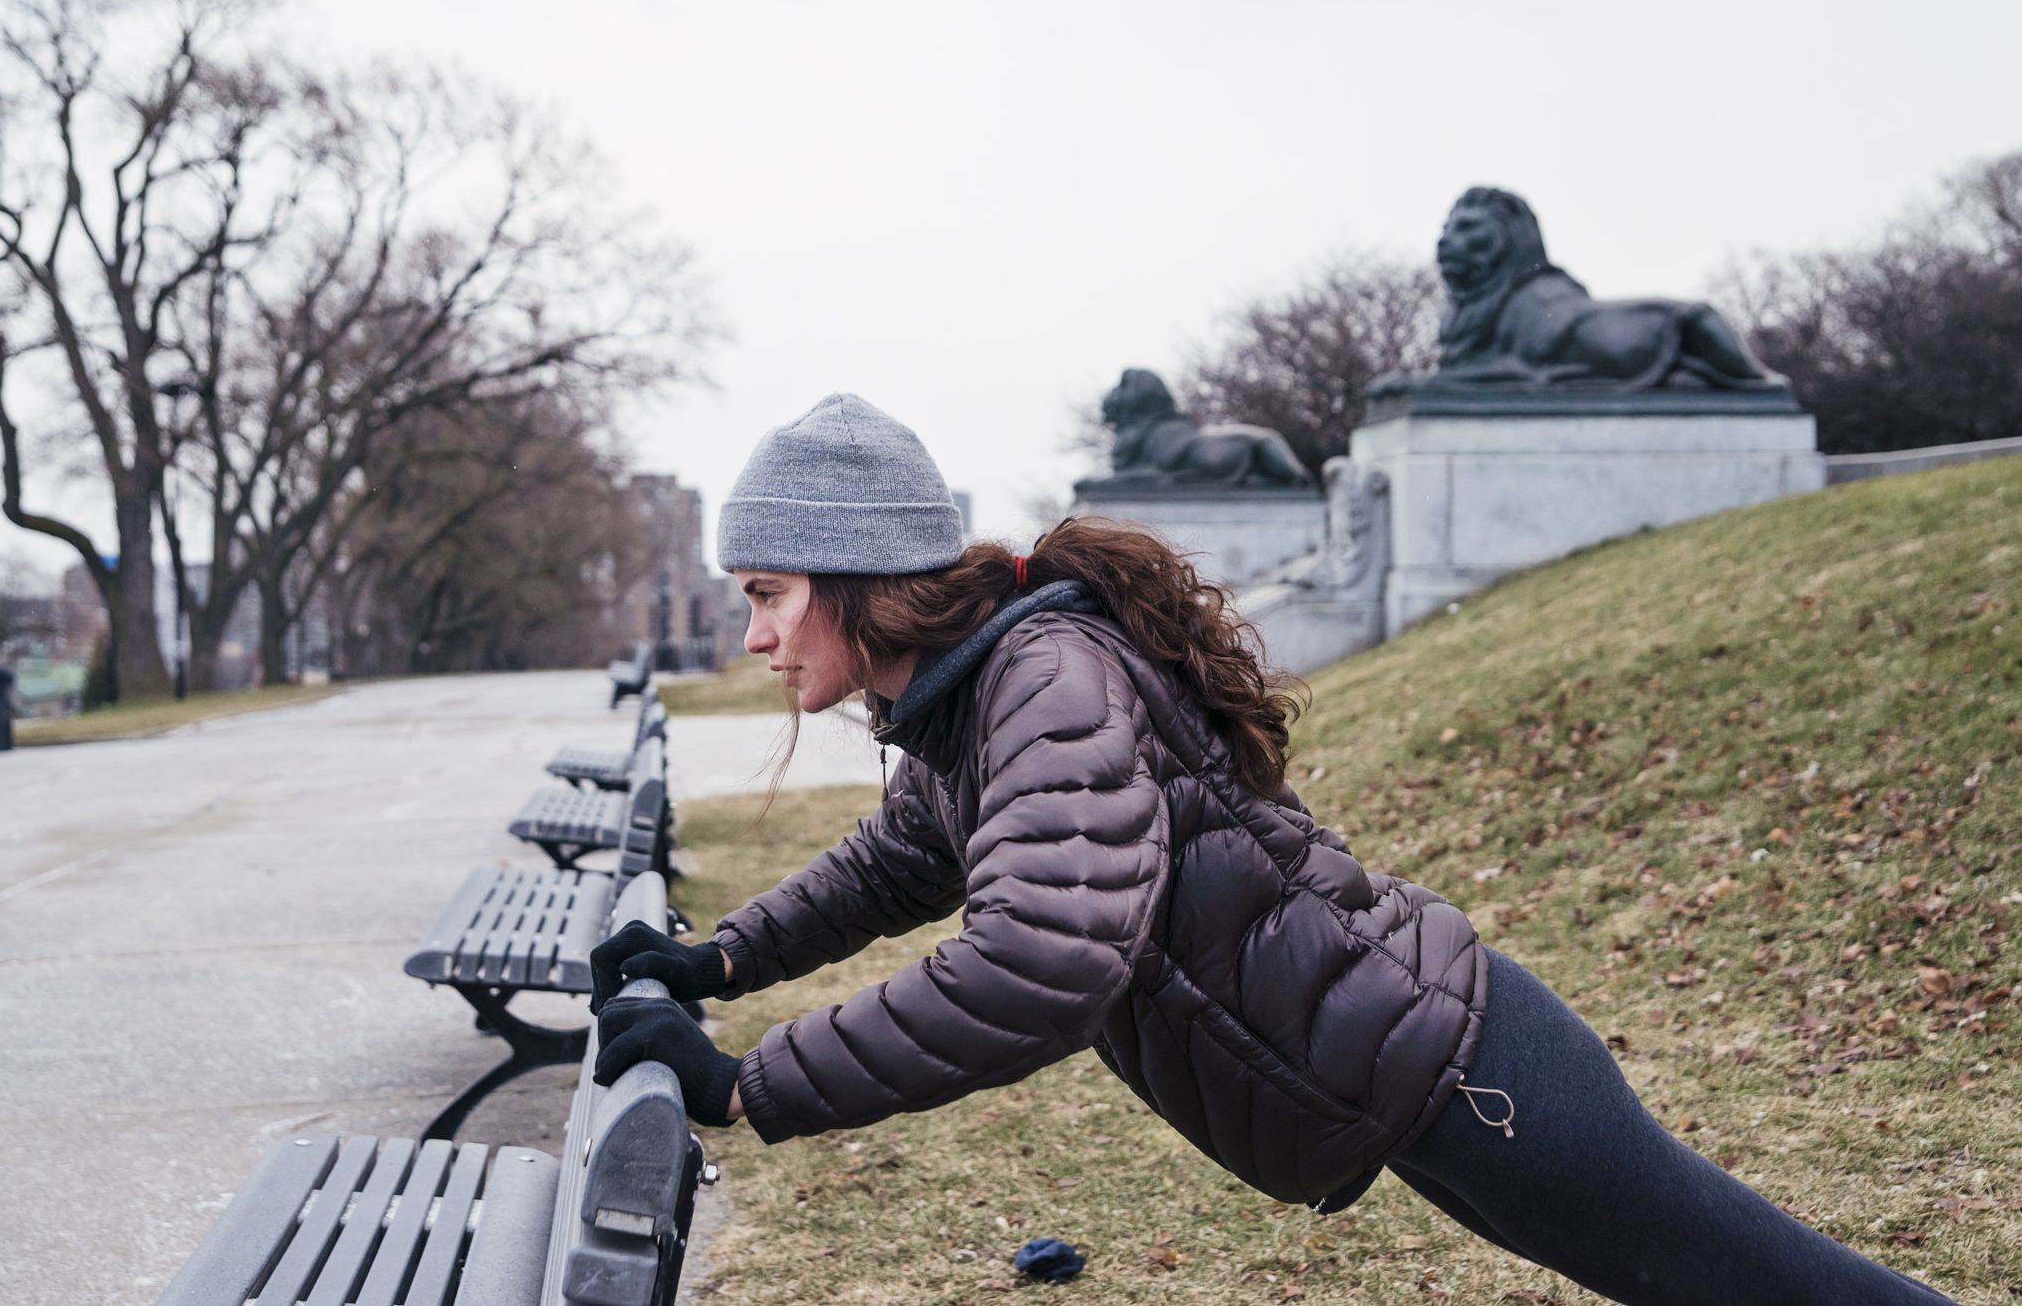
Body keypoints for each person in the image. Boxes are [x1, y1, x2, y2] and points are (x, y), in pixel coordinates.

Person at [589, 393, 1956, 1305]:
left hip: (1474, 1073)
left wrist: (745, 1085)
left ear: (851, 574)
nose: (757, 633)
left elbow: (1041, 961)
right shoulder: (970, 702)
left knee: (1776, 1286)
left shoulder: (1039, 683)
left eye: (767, 594)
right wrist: (717, 955)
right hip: (1416, 1081)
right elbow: (896, 864)